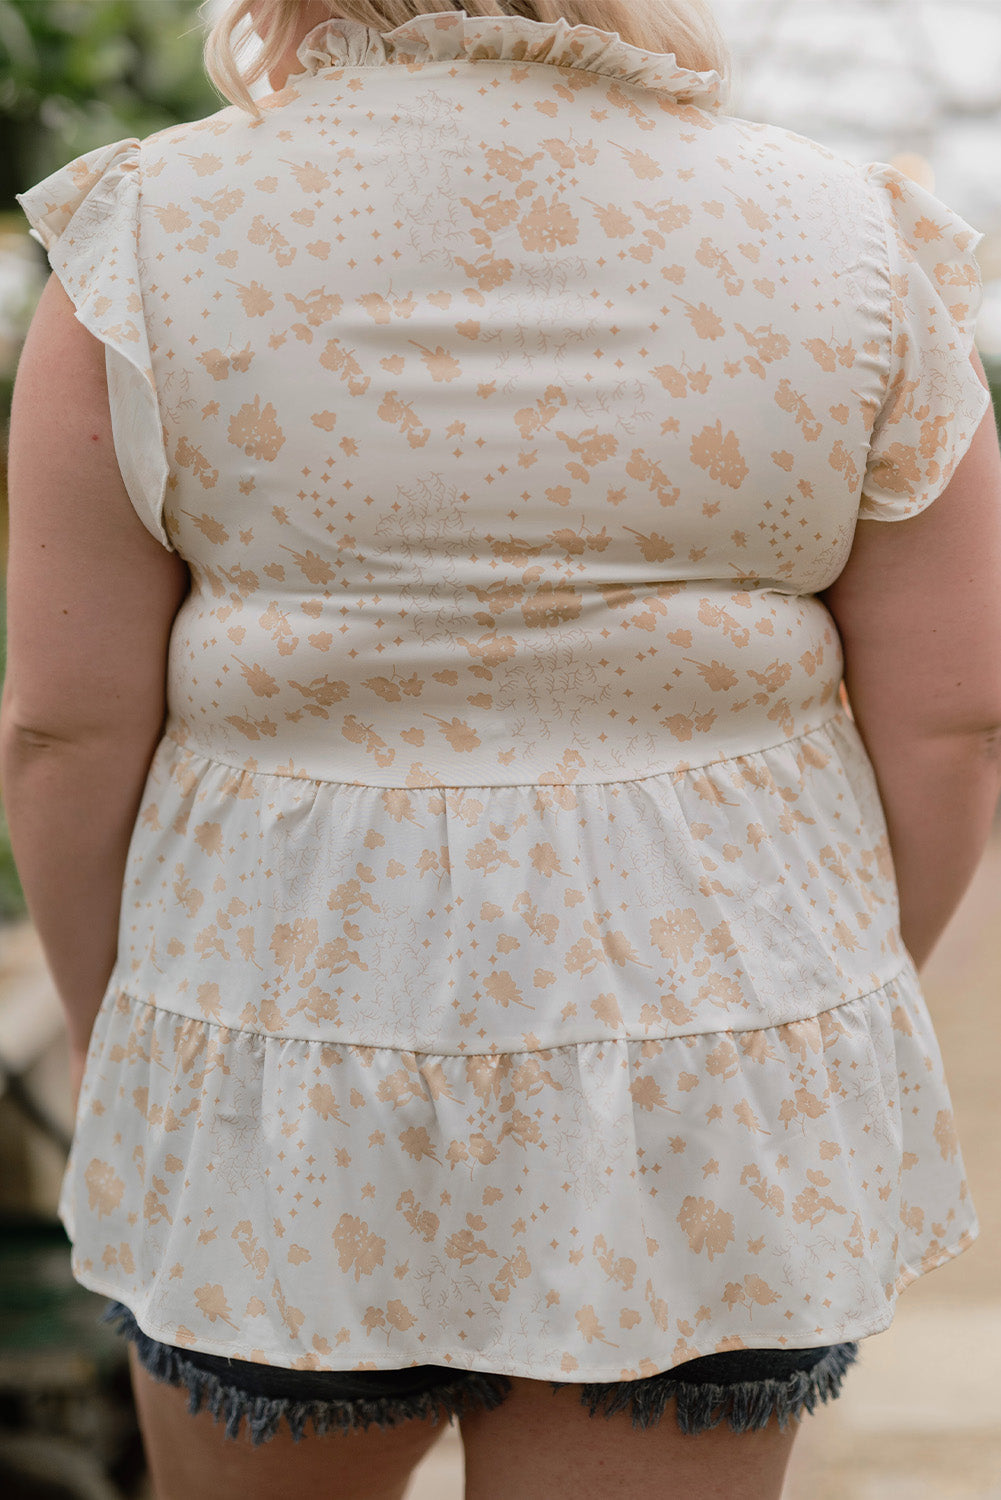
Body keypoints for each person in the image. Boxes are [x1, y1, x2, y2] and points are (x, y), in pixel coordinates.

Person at [3, 1, 1000, 1496]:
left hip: (272, 1042)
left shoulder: (149, 238)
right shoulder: (846, 238)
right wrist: (809, 999)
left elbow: (63, 732)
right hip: (710, 1045)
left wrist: (118, 1023)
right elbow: (951, 721)